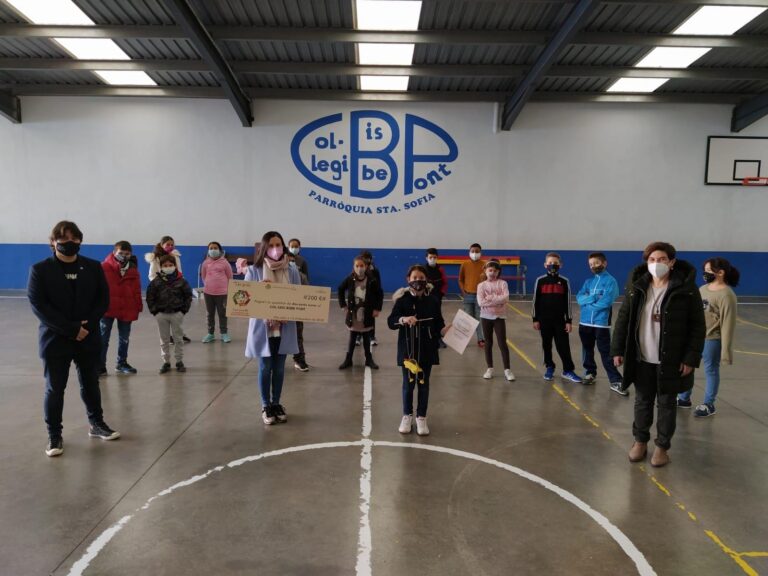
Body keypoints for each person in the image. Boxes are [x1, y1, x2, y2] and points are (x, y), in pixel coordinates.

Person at [27, 221, 120, 457]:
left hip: (87, 338)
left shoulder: (92, 267)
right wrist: (70, 329)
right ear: (53, 242)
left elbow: (102, 300)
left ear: (80, 240)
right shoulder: (40, 270)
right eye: (64, 239)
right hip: (55, 340)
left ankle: (96, 424)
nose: (69, 243)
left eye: (74, 239)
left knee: (91, 383)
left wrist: (85, 326)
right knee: (55, 388)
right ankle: (54, 435)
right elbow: (39, 306)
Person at [611, 241, 705, 468]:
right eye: (652, 260)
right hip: (641, 357)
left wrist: (690, 358)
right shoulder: (637, 286)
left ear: (671, 262)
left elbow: (697, 326)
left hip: (671, 359)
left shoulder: (686, 288)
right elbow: (624, 317)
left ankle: (662, 447)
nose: (656, 264)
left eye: (662, 259)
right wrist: (617, 349)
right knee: (642, 402)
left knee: (666, 404)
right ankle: (640, 441)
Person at [244, 231, 301, 425]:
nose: (275, 249)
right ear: (264, 248)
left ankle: (277, 403)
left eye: (278, 245)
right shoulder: (254, 271)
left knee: (278, 368)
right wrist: (260, 290)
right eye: (271, 245)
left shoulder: (291, 270)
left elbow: (299, 296)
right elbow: (244, 299)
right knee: (265, 366)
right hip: (264, 326)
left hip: (284, 326)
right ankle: (265, 405)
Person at [388, 265, 449, 436]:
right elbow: (390, 321)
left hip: (427, 350)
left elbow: (439, 324)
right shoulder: (402, 300)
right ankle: (407, 415)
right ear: (408, 280)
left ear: (426, 280)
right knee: (408, 385)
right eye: (414, 278)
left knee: (423, 384)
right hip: (408, 351)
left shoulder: (433, 301)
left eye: (421, 278)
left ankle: (421, 417)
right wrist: (403, 319)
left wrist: (446, 330)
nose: (418, 281)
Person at [677, 257, 739, 418]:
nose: (705, 273)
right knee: (687, 366)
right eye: (705, 270)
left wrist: (726, 352)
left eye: (709, 271)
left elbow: (728, 324)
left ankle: (708, 403)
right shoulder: (702, 289)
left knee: (711, 370)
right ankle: (684, 398)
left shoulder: (727, 295)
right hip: (694, 337)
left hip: (712, 339)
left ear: (721, 272)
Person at [575, 252, 623, 392]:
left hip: (601, 324)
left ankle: (615, 380)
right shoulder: (588, 282)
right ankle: (590, 373)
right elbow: (579, 299)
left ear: (604, 263)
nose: (593, 266)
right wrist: (594, 297)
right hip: (584, 323)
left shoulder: (611, 281)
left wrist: (588, 301)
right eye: (591, 264)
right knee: (587, 350)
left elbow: (606, 302)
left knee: (606, 352)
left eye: (596, 263)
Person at [531, 252, 582, 383]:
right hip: (544, 321)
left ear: (561, 265)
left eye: (555, 263)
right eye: (550, 263)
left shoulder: (564, 281)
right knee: (546, 345)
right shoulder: (540, 280)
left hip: (560, 321)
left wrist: (569, 321)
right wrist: (535, 319)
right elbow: (535, 301)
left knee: (563, 345)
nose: (552, 265)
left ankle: (568, 370)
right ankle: (549, 366)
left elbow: (568, 302)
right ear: (545, 265)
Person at [99, 241, 143, 376]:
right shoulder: (103, 267)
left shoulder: (133, 270)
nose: (124, 256)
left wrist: (138, 306)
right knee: (103, 338)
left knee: (124, 337)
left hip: (126, 307)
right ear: (114, 253)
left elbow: (136, 290)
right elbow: (96, 288)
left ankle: (122, 362)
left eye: (127, 253)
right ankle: (100, 366)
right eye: (120, 253)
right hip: (107, 308)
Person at [146, 254, 193, 374]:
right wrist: (155, 311)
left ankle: (179, 361)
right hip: (161, 314)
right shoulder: (156, 282)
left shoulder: (181, 281)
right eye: (165, 265)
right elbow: (150, 297)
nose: (168, 267)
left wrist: (183, 311)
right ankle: (166, 362)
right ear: (160, 267)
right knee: (164, 339)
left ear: (175, 266)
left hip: (177, 313)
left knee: (178, 338)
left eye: (170, 265)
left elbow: (188, 296)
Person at [338, 256, 382, 370]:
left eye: (361, 266)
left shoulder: (372, 280)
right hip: (353, 313)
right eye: (357, 266)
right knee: (352, 337)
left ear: (366, 266)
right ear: (353, 267)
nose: (359, 268)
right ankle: (348, 359)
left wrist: (377, 309)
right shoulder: (350, 279)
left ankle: (369, 359)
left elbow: (379, 294)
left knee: (366, 336)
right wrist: (343, 305)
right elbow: (340, 289)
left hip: (366, 314)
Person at [145, 235, 190, 343]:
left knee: (177, 313)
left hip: (176, 290)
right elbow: (151, 275)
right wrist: (159, 286)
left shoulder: (175, 256)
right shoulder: (155, 258)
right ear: (161, 245)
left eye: (172, 244)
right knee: (165, 314)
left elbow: (179, 271)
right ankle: (167, 336)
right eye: (167, 244)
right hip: (161, 291)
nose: (170, 246)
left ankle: (178, 334)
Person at [477, 260, 515, 382]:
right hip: (485, 317)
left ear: (498, 272)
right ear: (486, 271)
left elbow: (506, 298)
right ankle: (490, 368)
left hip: (499, 317)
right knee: (488, 343)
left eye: (495, 270)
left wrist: (490, 298)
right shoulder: (481, 285)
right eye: (490, 270)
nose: (492, 273)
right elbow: (481, 302)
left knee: (502, 342)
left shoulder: (503, 283)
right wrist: (498, 300)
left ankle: (507, 370)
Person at [200, 241, 233, 343]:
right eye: (211, 248)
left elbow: (230, 276)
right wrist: (208, 285)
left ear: (219, 250)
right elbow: (203, 276)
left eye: (215, 248)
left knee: (222, 313)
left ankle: (224, 333)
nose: (213, 250)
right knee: (210, 314)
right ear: (208, 251)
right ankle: (210, 334)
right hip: (208, 293)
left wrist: (228, 289)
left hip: (222, 293)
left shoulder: (225, 263)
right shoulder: (205, 263)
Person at [288, 238, 310, 371]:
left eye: (292, 262)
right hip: (280, 308)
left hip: (296, 306)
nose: (291, 263)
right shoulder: (278, 270)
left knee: (298, 334)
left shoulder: (302, 268)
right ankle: (276, 360)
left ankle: (299, 359)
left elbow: (307, 286)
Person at [459, 243, 485, 346]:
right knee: (467, 318)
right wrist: (463, 291)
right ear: (469, 252)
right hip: (468, 295)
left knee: (479, 318)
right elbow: (460, 279)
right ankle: (463, 340)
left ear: (480, 252)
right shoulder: (464, 264)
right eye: (472, 251)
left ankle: (481, 339)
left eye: (477, 251)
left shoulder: (485, 265)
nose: (475, 253)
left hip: (480, 296)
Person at [425, 247, 448, 348]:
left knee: (437, 317)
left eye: (434, 257)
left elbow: (445, 283)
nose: (432, 259)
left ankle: (439, 338)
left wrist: (441, 293)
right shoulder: (423, 269)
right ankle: (427, 339)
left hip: (437, 298)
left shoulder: (440, 269)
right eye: (430, 257)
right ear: (426, 258)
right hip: (426, 298)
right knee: (426, 318)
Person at [359, 250, 383, 346]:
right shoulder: (359, 269)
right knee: (359, 317)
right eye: (364, 258)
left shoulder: (375, 271)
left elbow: (378, 286)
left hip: (371, 298)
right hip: (360, 297)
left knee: (371, 318)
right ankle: (358, 336)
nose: (366, 260)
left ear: (370, 259)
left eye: (367, 258)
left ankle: (372, 336)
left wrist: (377, 304)